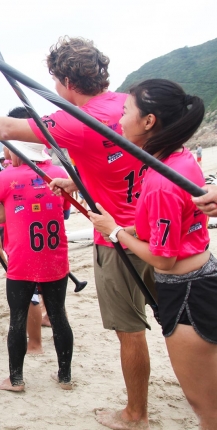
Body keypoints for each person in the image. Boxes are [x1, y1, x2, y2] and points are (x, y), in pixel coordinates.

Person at [0, 37, 155, 429]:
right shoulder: (133, 106)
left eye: (55, 81)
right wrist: (75, 181)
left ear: (66, 81)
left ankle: (135, 414)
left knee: (130, 330)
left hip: (117, 239)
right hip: (158, 226)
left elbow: (3, 127)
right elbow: (122, 160)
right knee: (174, 323)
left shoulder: (75, 120)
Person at [90, 79, 217, 429]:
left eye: (126, 112)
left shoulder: (162, 178)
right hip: (202, 277)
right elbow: (175, 221)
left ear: (149, 121)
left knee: (207, 410)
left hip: (187, 291)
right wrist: (131, 228)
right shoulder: (179, 158)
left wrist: (114, 231)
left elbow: (163, 258)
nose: (120, 121)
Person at [0, 141, 74, 392]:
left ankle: (16, 380)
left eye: (8, 149)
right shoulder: (58, 174)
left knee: (17, 318)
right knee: (58, 315)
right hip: (55, 258)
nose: (6, 154)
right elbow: (65, 213)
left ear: (16, 150)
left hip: (22, 261)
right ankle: (65, 376)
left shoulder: (7, 176)